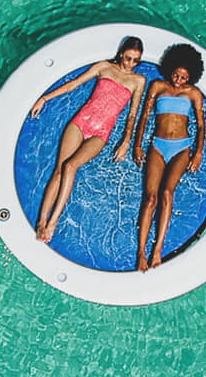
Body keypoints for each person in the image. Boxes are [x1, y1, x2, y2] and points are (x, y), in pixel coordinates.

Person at [28, 36, 147, 241]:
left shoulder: (138, 81)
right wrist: (45, 98)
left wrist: (126, 141)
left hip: (101, 133)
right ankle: (41, 221)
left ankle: (53, 221)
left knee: (70, 167)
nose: (130, 64)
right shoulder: (103, 67)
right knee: (58, 170)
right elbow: (74, 84)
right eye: (128, 58)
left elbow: (133, 114)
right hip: (81, 122)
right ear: (121, 54)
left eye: (136, 61)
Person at [117, 42, 206, 271]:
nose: (179, 80)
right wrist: (137, 146)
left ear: (192, 77)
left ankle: (157, 250)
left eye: (184, 77)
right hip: (158, 145)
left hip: (181, 147)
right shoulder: (157, 86)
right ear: (170, 69)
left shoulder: (193, 93)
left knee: (167, 194)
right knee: (150, 198)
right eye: (176, 75)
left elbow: (200, 126)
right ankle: (141, 252)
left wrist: (198, 152)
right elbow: (144, 117)